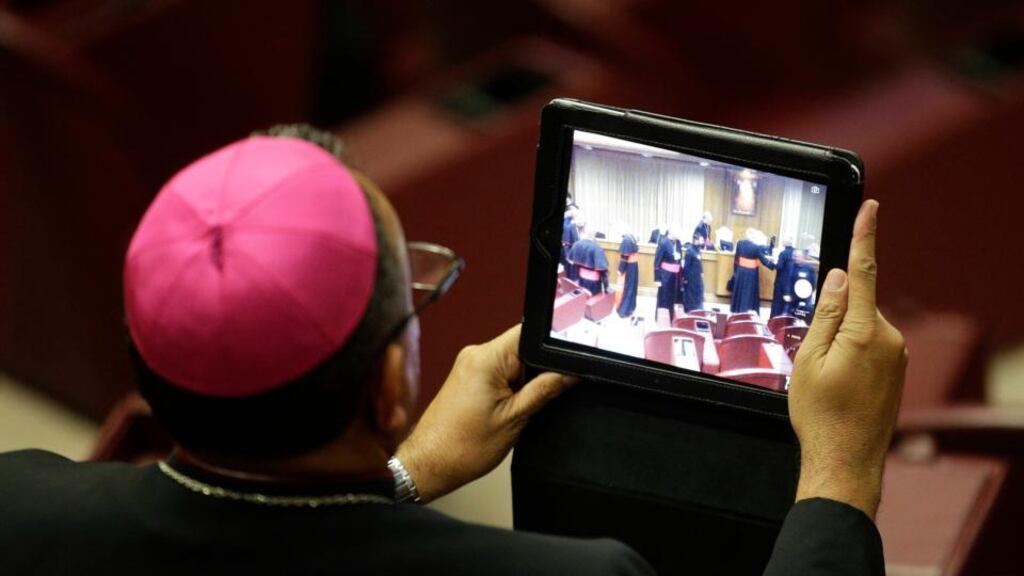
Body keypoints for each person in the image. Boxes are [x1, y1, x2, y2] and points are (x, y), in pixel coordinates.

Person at [0, 125, 907, 576]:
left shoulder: (20, 506)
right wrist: (839, 473)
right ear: (394, 383)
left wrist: (401, 477)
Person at [730, 228, 775, 314]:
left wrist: (735, 271)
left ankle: (737, 310)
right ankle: (746, 311)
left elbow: (736, 259)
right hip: (751, 274)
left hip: (740, 271)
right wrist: (772, 266)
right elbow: (763, 259)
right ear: (753, 236)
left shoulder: (740, 244)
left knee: (740, 292)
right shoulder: (756, 247)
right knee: (748, 294)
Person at [567, 224, 609, 296]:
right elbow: (603, 271)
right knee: (593, 301)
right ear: (594, 234)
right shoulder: (597, 248)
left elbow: (570, 262)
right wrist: (606, 287)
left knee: (581, 299)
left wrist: (574, 279)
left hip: (579, 279)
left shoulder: (576, 244)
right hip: (593, 282)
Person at [654, 228, 682, 322]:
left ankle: (670, 318)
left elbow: (679, 258)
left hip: (675, 276)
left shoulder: (678, 243)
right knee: (664, 298)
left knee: (673, 298)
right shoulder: (663, 243)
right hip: (665, 276)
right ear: (671, 232)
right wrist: (657, 279)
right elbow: (657, 261)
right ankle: (661, 319)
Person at [784, 249, 818, 320]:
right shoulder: (792, 267)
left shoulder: (810, 269)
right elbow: (788, 281)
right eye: (794, 256)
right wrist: (787, 293)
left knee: (805, 315)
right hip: (793, 296)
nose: (795, 258)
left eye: (797, 256)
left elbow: (813, 283)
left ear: (803, 257)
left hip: (805, 297)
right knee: (787, 315)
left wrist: (809, 294)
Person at [616, 229, 640, 318]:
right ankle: (630, 308)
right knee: (632, 287)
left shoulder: (626, 239)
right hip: (634, 266)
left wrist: (620, 269)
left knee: (627, 288)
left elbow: (624, 257)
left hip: (629, 266)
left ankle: (624, 311)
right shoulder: (631, 237)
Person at [770, 239, 795, 318]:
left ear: (785, 243)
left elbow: (779, 267)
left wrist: (773, 264)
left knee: (777, 303)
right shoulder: (795, 253)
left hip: (781, 282)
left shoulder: (783, 253)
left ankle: (774, 320)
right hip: (792, 282)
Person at [680, 234, 704, 312]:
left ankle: (697, 310)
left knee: (698, 295)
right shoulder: (690, 251)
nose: (702, 242)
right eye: (701, 240)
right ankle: (690, 310)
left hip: (697, 278)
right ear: (695, 240)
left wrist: (701, 272)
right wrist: (685, 278)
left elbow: (700, 263)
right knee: (691, 295)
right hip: (691, 278)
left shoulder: (698, 250)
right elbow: (686, 266)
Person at [561, 199, 580, 280]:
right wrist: (569, 257)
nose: (577, 213)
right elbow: (568, 243)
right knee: (571, 276)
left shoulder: (569, 221)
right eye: (576, 211)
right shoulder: (569, 224)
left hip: (567, 251)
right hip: (569, 253)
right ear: (570, 211)